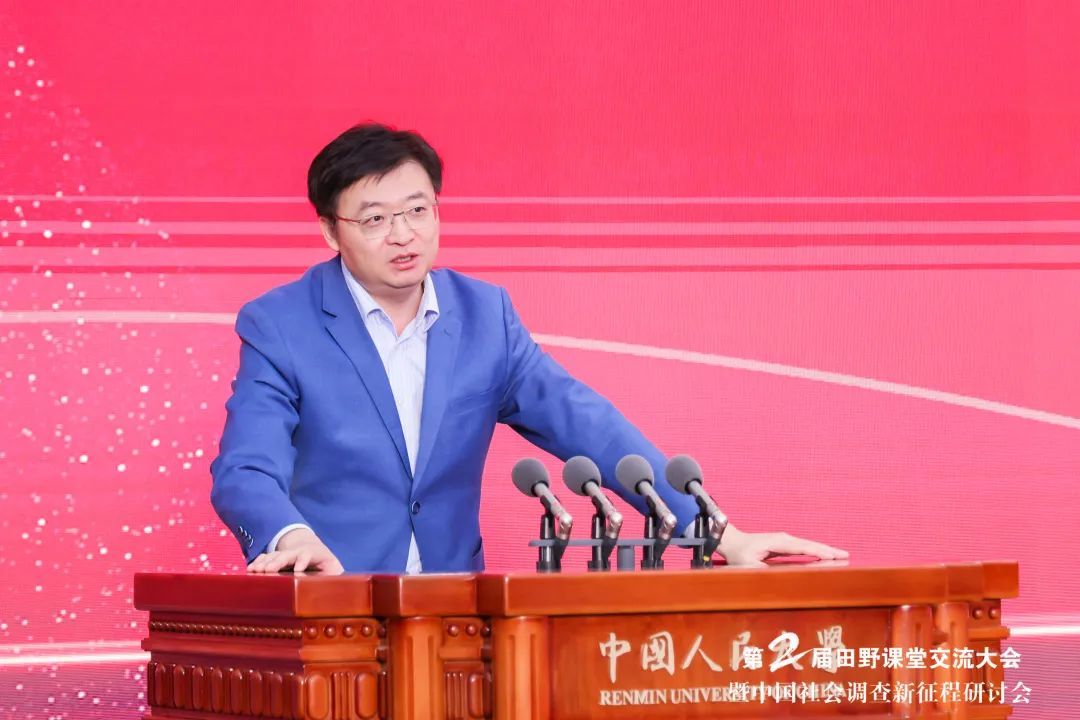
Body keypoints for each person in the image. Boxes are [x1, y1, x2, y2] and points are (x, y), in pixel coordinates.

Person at [210, 123, 847, 575]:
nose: (403, 234)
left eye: (418, 210)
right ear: (330, 230)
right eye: (375, 219)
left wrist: (717, 534)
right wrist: (289, 536)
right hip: (330, 604)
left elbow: (587, 425)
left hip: (453, 608)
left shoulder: (485, 316)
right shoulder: (281, 324)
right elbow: (245, 468)